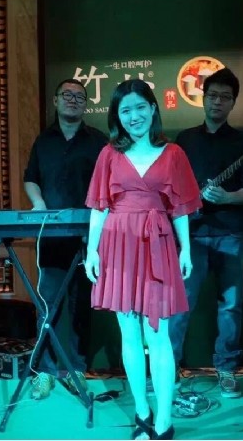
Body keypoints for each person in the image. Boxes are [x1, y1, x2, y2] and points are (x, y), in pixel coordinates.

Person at [84, 79, 202, 440]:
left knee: (159, 335)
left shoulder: (174, 153)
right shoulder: (109, 154)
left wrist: (185, 248)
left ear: (152, 108)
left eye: (139, 107)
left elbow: (180, 208)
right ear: (116, 116)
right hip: (118, 243)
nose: (133, 116)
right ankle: (141, 412)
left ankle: (164, 421)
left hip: (158, 244)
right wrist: (91, 250)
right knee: (129, 332)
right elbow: (99, 207)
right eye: (125, 110)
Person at [167, 68, 243, 398]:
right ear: (203, 99)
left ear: (233, 102)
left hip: (230, 234)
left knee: (231, 306)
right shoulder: (185, 140)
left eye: (225, 97)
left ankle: (227, 369)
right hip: (191, 235)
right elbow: (172, 186)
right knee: (180, 305)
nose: (218, 102)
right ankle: (169, 368)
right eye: (213, 95)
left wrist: (227, 197)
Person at [23, 78, 108, 400]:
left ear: (86, 104)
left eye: (79, 96)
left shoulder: (98, 141)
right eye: (67, 95)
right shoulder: (43, 141)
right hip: (51, 235)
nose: (73, 100)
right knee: (48, 303)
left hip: (89, 236)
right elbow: (31, 178)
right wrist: (39, 203)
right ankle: (44, 371)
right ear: (56, 101)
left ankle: (76, 369)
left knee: (81, 304)